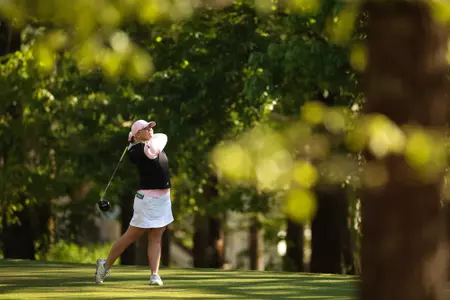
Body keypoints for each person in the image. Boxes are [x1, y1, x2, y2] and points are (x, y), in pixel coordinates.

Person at [94, 119, 174, 286]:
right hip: (147, 199)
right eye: (145, 129)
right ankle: (105, 265)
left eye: (150, 128)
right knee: (131, 236)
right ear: (138, 134)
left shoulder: (145, 144)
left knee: (156, 237)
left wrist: (133, 136)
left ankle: (155, 275)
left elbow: (162, 135)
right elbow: (161, 140)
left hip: (163, 198)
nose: (150, 131)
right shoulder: (139, 150)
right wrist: (134, 140)